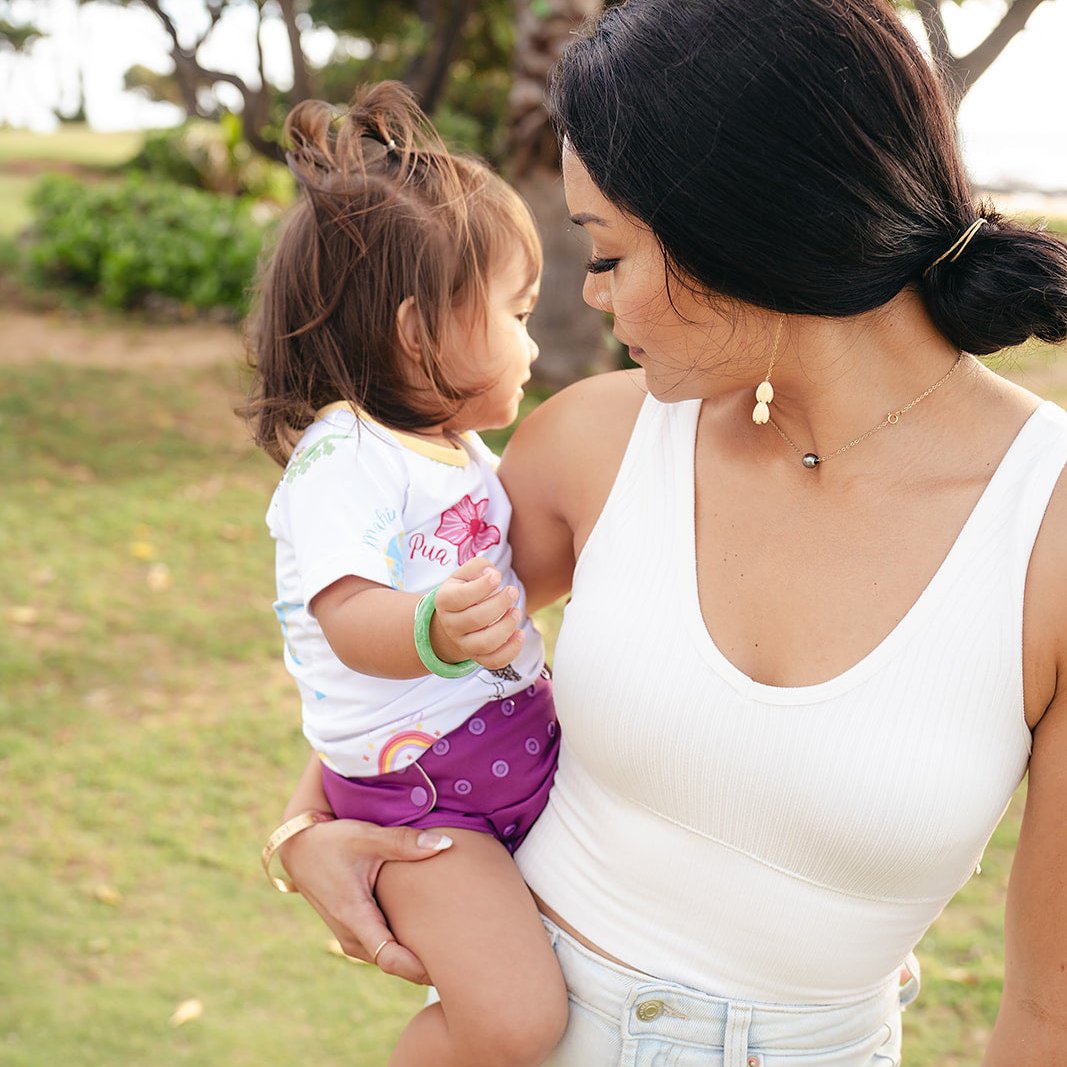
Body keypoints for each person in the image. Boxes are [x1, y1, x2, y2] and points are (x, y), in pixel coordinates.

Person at [272, 2, 1067, 1064]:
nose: (594, 299)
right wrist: (301, 834)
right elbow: (391, 652)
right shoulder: (593, 445)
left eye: (605, 251)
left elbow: (1048, 1011)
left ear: (745, 232)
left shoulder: (1043, 528)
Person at [244, 82, 567, 1067]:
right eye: (513, 312)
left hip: (508, 757)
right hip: (425, 800)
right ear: (415, 330)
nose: (532, 338)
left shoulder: (453, 449)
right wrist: (431, 623)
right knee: (512, 1019)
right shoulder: (344, 456)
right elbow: (348, 614)